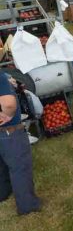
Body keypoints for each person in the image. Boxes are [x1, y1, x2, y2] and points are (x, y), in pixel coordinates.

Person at [0, 72, 41, 215]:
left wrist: (6, 77)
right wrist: (9, 114)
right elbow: (9, 104)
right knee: (20, 168)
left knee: (1, 164)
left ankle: (3, 193)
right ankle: (28, 206)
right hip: (7, 131)